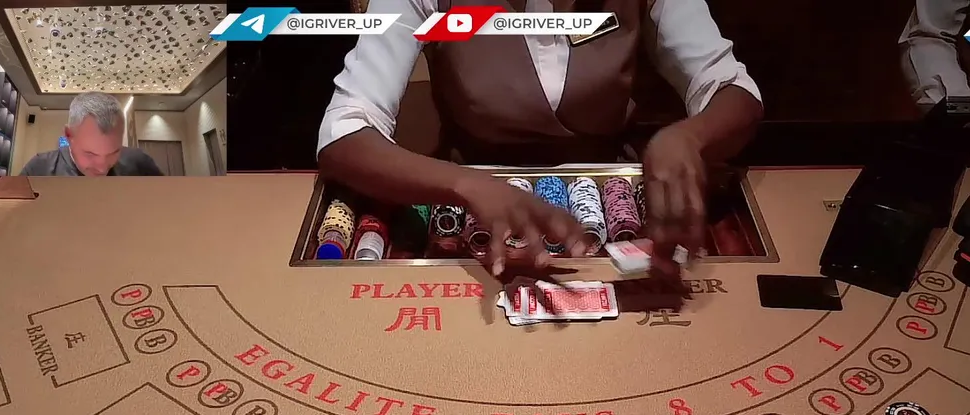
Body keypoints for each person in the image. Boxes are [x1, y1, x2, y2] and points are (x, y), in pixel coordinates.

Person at [317, 0, 763, 279]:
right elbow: (343, 132)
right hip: (473, 217)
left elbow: (733, 88)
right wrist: (466, 184)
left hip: (606, 209)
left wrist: (689, 138)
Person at [20, 92, 163, 177]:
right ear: (68, 135)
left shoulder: (140, 163)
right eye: (90, 154)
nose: (102, 168)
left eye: (114, 152)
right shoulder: (40, 169)